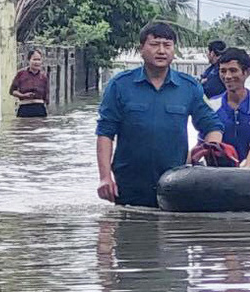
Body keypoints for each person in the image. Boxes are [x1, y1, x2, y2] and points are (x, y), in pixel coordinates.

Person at [96, 22, 224, 207]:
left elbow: (212, 125)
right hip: (129, 184)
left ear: (174, 50)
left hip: (175, 183)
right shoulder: (120, 85)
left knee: (171, 234)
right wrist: (105, 177)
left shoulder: (189, 87)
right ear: (141, 49)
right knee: (127, 233)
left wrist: (209, 149)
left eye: (167, 45)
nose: (161, 50)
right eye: (155, 44)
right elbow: (105, 132)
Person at [9, 49, 49, 117]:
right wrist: (23, 95)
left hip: (40, 110)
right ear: (29, 60)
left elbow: (46, 98)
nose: (37, 62)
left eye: (39, 60)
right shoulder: (21, 74)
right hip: (24, 109)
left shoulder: (43, 77)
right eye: (34, 59)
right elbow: (12, 91)